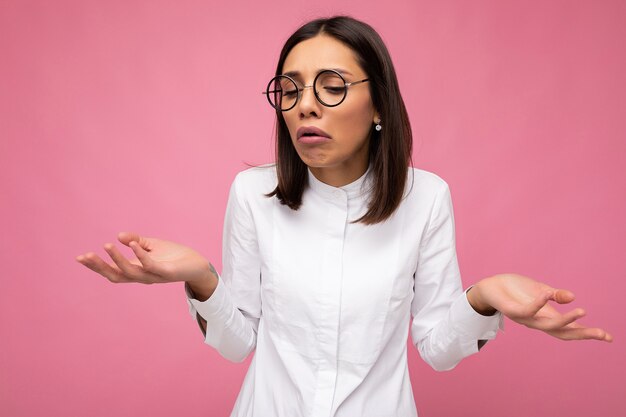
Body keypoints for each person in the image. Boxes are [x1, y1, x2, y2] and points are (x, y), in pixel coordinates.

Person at [76, 15, 612, 417]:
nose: (305, 105)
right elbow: (236, 344)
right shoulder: (252, 193)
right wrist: (201, 278)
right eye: (290, 88)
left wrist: (484, 296)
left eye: (332, 86)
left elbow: (438, 350)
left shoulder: (426, 199)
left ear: (379, 104)